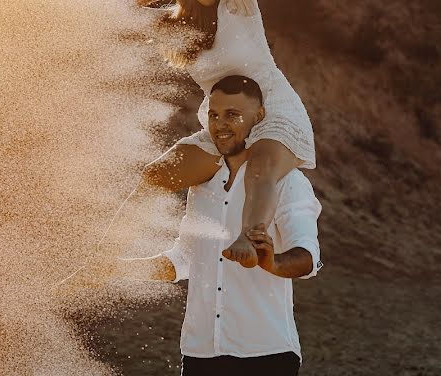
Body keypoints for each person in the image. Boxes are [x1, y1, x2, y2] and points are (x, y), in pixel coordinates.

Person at [98, 75, 322, 375]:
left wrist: (272, 263)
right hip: (199, 354)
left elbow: (308, 256)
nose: (221, 124)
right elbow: (184, 260)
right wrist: (118, 268)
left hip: (265, 355)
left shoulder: (286, 181)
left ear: (259, 117)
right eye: (214, 115)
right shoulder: (202, 186)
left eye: (233, 114)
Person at [125, 0, 315, 266]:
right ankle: (104, 254)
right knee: (156, 174)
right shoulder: (175, 27)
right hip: (223, 123)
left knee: (260, 167)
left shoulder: (237, 7)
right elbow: (115, 8)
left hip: (274, 111)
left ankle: (250, 238)